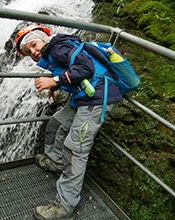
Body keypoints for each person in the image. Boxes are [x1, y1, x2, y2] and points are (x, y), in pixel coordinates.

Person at [15, 24, 123, 220]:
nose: (33, 52)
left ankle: (64, 208)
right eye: (29, 52)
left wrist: (54, 81)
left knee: (75, 149)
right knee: (57, 123)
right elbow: (72, 68)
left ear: (43, 38)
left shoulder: (57, 47)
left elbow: (85, 68)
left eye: (33, 45)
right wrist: (55, 85)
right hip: (84, 96)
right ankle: (56, 162)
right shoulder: (54, 50)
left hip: (97, 98)